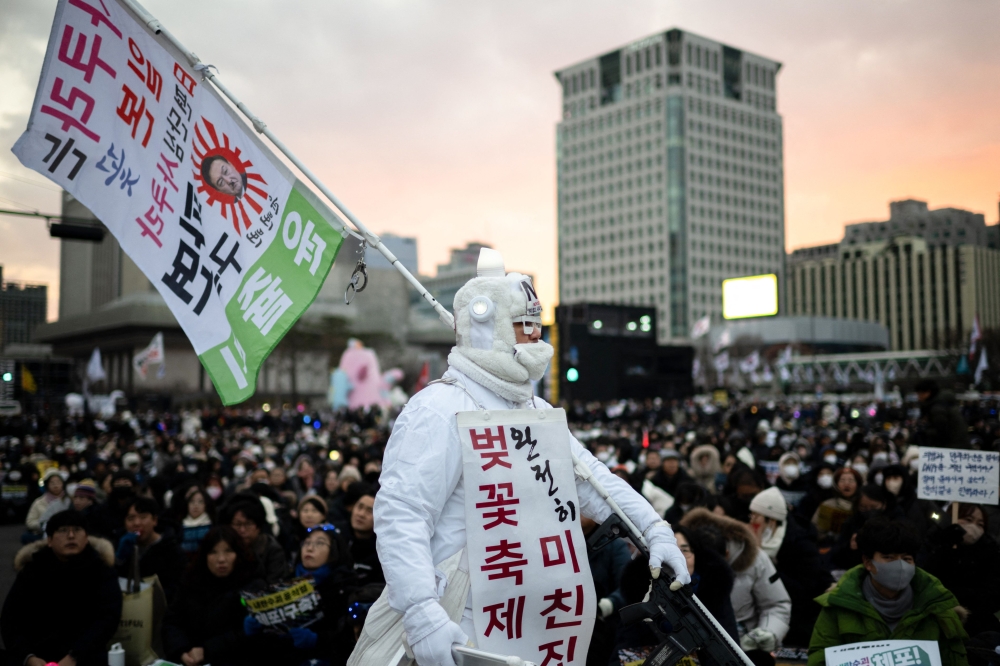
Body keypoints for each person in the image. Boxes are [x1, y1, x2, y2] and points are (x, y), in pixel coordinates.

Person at [355, 249, 690, 666]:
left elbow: (591, 481)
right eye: (523, 325)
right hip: (456, 619)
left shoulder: (537, 411)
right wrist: (422, 611)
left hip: (532, 624)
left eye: (536, 324)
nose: (536, 336)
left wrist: (654, 530)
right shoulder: (437, 407)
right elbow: (403, 512)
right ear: (486, 328)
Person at [809, 516, 968, 666]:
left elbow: (955, 660)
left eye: (906, 559)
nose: (900, 566)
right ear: (868, 562)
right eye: (889, 557)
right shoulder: (838, 607)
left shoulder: (937, 608)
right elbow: (820, 659)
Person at [1, 510, 122, 666]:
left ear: (86, 538)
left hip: (85, 655)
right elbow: (10, 619)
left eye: (77, 530)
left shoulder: (101, 570)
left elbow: (108, 618)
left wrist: (75, 656)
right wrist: (28, 657)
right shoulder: (32, 570)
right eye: (63, 530)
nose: (71, 536)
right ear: (49, 540)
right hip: (36, 656)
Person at [681, 507, 791, 652]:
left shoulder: (756, 560)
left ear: (726, 555)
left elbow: (776, 604)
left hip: (742, 645)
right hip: (684, 644)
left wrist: (768, 632)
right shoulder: (674, 555)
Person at [247, 523, 359, 665]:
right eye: (307, 543)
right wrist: (260, 624)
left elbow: (348, 639)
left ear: (334, 552)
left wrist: (318, 640)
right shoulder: (285, 583)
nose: (310, 548)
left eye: (320, 543)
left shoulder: (344, 587)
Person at [163, 526, 264, 666]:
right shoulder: (191, 581)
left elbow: (247, 632)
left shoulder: (253, 586)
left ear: (238, 553)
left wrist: (207, 650)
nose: (221, 559)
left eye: (228, 551)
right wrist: (181, 650)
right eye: (213, 552)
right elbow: (173, 621)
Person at [748, 487, 833, 647]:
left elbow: (806, 590)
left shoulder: (801, 545)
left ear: (771, 521)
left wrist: (765, 562)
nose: (752, 520)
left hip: (799, 622)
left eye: (756, 516)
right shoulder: (754, 540)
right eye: (751, 514)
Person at [921, 503, 1000, 635]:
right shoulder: (933, 542)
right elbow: (925, 581)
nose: (973, 527)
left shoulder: (991, 552)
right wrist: (945, 547)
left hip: (978, 627)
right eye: (968, 520)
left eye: (980, 524)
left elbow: (993, 597)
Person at [115, 496, 186, 602]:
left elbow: (177, 588)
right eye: (131, 519)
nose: (137, 523)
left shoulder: (172, 549)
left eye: (143, 517)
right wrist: (119, 560)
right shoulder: (120, 545)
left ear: (154, 520)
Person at [224, 495, 287, 583]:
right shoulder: (224, 546)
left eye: (248, 524)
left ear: (258, 527)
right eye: (237, 524)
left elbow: (275, 583)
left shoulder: (272, 550)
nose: (242, 530)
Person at [344, 484, 383, 585]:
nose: (361, 514)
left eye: (369, 511)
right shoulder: (338, 541)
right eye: (359, 507)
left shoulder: (382, 554)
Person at [915, 379, 970, 450]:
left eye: (919, 394)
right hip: (959, 444)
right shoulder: (942, 403)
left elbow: (941, 431)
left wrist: (925, 432)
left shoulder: (938, 408)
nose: (918, 397)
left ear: (928, 393)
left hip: (953, 447)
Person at [812, 467, 861, 543]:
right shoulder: (827, 505)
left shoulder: (863, 506)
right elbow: (816, 531)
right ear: (836, 484)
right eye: (842, 480)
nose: (846, 484)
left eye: (851, 480)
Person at [24, 469, 71, 538]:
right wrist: (45, 524)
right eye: (52, 483)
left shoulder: (69, 500)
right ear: (47, 485)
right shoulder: (39, 502)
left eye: (58, 482)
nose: (55, 485)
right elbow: (29, 522)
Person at [180, 486, 215, 555]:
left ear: (205, 505)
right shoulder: (180, 526)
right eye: (192, 501)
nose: (195, 505)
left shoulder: (211, 526)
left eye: (200, 502)